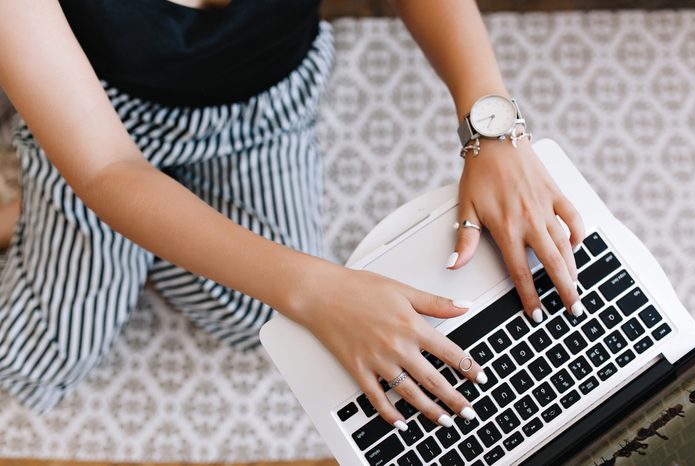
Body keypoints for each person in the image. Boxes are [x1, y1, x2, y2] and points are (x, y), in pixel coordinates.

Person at [0, 0, 584, 431]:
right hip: (94, 108)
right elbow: (104, 168)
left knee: (252, 316)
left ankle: (128, 218)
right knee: (46, 353)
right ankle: (48, 188)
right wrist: (317, 289)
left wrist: (494, 127)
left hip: (264, 105)